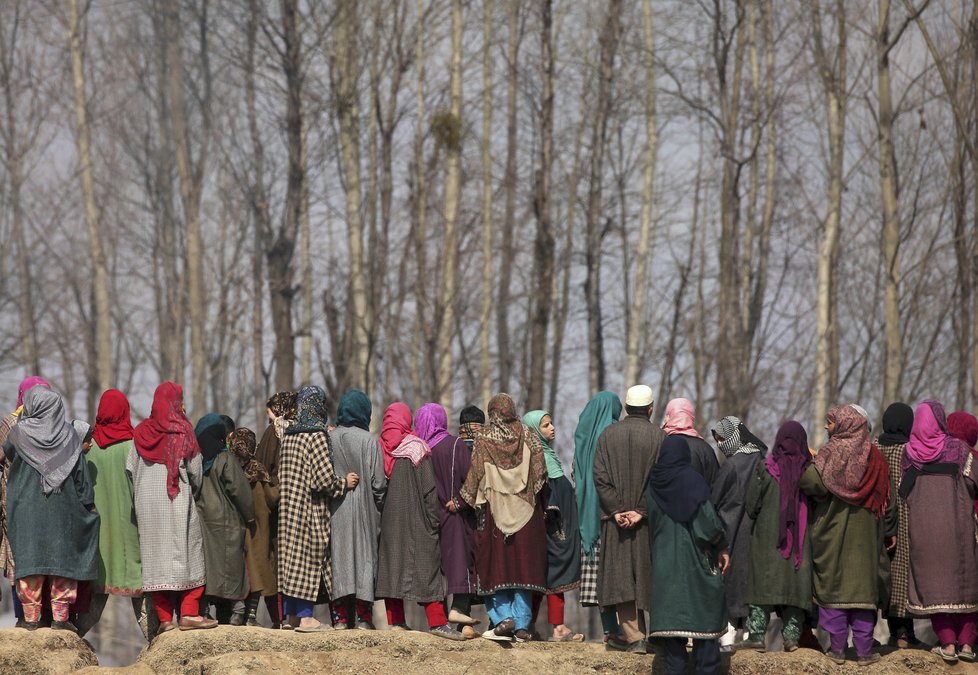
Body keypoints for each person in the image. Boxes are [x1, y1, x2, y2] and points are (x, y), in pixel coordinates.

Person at [800, 404, 893, 666]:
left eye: (830, 422)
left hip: (832, 536)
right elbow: (887, 496)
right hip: (865, 541)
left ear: (844, 425)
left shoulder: (831, 453)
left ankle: (837, 650)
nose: (827, 427)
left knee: (834, 594)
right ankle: (864, 652)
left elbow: (809, 482)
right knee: (863, 598)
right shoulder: (875, 458)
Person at [5, 387, 100, 632]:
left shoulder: (18, 435)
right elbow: (82, 479)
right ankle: (60, 618)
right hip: (63, 512)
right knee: (62, 563)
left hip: (26, 511)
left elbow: (6, 454)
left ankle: (31, 619)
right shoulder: (70, 436)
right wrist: (88, 506)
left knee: (31, 562)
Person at [456, 393, 548, 642]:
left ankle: (503, 619)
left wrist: (459, 502)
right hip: (527, 515)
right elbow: (541, 474)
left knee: (494, 567)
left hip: (493, 515)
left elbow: (474, 476)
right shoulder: (528, 435)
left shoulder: (484, 438)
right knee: (523, 570)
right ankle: (522, 626)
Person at [128, 382, 216, 633]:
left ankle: (165, 621)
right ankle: (189, 614)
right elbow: (196, 473)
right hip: (178, 504)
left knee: (156, 564)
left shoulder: (140, 434)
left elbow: (130, 471)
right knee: (191, 556)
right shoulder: (184, 432)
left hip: (148, 509)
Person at [376, 402, 463, 640]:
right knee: (427, 570)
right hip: (418, 523)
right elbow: (428, 490)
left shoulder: (380, 448)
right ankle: (437, 623)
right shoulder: (417, 448)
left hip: (390, 524)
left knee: (392, 570)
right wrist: (434, 522)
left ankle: (396, 622)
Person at [75, 389, 157, 639]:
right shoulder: (134, 446)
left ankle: (71, 640)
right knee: (140, 594)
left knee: (92, 602)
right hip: (130, 533)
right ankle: (157, 642)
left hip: (98, 536)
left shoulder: (88, 449)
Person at [646, 436, 730, 675]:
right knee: (705, 638)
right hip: (696, 566)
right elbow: (708, 526)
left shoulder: (652, 485)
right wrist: (722, 546)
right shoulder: (693, 482)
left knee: (674, 652)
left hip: (664, 568)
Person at [902, 401, 978, 664]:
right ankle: (967, 645)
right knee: (965, 584)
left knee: (935, 586)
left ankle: (947, 644)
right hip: (958, 529)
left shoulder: (908, 453)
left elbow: (905, 492)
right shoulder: (958, 449)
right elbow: (972, 483)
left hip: (924, 532)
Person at [277, 385, 358, 632]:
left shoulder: (289, 434)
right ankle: (306, 618)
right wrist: (344, 483)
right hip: (309, 511)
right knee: (308, 561)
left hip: (288, 509)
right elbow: (322, 480)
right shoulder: (317, 435)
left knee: (291, 562)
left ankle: (291, 616)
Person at [593, 385, 664, 653]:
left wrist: (617, 510)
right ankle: (657, 636)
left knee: (622, 578)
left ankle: (635, 638)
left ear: (626, 407)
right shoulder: (660, 437)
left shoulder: (607, 436)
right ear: (650, 408)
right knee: (650, 575)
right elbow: (662, 481)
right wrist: (641, 510)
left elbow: (599, 476)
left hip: (616, 522)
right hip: (648, 522)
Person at [743, 420, 813, 652]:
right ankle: (791, 638)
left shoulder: (766, 468)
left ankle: (756, 636)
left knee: (762, 587)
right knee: (794, 589)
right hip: (800, 544)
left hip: (767, 540)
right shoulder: (809, 472)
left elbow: (751, 505)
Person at [419, 402, 480, 639]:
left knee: (438, 570)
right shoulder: (455, 445)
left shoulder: (420, 449)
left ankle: (441, 620)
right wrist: (461, 502)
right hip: (456, 515)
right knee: (462, 566)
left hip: (429, 517)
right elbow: (471, 480)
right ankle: (459, 612)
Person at [327, 389, 387, 630]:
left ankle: (339, 618)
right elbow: (379, 484)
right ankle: (364, 618)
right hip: (365, 512)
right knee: (364, 561)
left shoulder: (329, 439)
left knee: (338, 560)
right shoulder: (370, 441)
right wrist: (380, 507)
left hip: (335, 511)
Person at [523, 410, 584, 642]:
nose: (552, 428)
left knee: (548, 578)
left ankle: (534, 626)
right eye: (546, 425)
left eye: (551, 423)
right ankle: (547, 626)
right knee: (550, 575)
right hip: (550, 529)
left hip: (560, 527)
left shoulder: (548, 454)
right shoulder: (538, 457)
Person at [572, 391, 625, 645]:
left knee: (598, 573)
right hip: (613, 514)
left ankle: (609, 629)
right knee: (618, 571)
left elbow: (576, 475)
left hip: (587, 518)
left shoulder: (582, 436)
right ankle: (628, 630)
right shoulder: (615, 434)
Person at [709, 416, 767, 649]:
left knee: (730, 584)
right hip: (756, 533)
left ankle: (728, 639)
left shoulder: (731, 466)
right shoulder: (761, 460)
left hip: (730, 532)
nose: (721, 445)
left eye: (723, 439)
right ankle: (752, 633)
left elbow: (714, 500)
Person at [195, 413, 256, 624]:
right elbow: (240, 492)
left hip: (203, 522)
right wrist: (250, 517)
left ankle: (203, 610)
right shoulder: (226, 458)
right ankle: (238, 610)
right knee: (232, 567)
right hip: (228, 522)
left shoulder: (196, 461)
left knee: (207, 568)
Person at [0, 376, 50, 626]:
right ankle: (47, 615)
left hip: (14, 500)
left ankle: (23, 615)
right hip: (47, 500)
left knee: (17, 558)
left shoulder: (9, 424)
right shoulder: (54, 423)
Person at [228, 427, 280, 627]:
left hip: (236, 529)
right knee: (260, 571)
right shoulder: (258, 469)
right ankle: (251, 616)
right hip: (259, 529)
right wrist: (280, 483)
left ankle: (238, 614)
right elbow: (272, 497)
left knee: (244, 571)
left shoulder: (229, 467)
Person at [876, 402, 917, 648]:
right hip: (904, 518)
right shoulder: (911, 451)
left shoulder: (873, 448)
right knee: (903, 576)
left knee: (883, 576)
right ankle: (904, 633)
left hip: (877, 518)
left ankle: (893, 632)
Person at [661, 397, 720, 484]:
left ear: (669, 416)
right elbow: (715, 484)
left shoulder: (661, 443)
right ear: (691, 417)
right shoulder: (705, 449)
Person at [256, 391, 296, 481]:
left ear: (276, 409)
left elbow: (263, 462)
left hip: (276, 485)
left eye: (268, 412)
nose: (268, 417)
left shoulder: (273, 430)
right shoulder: (299, 428)